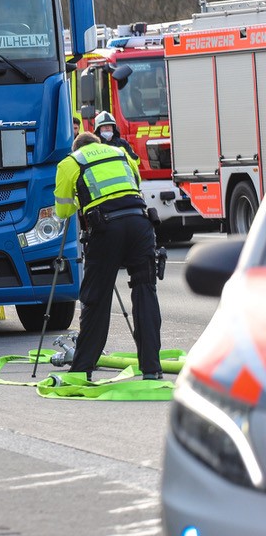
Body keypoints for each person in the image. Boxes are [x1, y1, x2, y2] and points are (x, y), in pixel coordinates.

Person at [54, 132, 163, 381]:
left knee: (96, 299)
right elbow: (135, 184)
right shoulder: (120, 152)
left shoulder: (70, 162)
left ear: (76, 148)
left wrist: (81, 201)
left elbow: (63, 209)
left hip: (105, 229)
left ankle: (82, 369)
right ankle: (152, 369)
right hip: (140, 223)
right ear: (98, 144)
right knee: (145, 292)